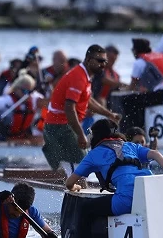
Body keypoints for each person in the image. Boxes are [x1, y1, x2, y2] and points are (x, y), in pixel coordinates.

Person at [60, 120, 163, 238]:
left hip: (126, 200)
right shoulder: (130, 146)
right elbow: (155, 154)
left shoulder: (94, 154)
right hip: (149, 197)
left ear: (97, 136)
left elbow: (69, 182)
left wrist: (75, 186)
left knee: (85, 208)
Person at [42, 44, 121, 174]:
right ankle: (73, 187)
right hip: (59, 126)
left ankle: (69, 182)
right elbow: (69, 109)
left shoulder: (85, 75)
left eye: (105, 61)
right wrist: (80, 135)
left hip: (61, 125)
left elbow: (88, 100)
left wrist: (109, 114)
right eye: (100, 61)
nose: (103, 64)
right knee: (85, 162)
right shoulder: (78, 77)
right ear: (89, 60)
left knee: (73, 165)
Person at [117, 38, 163, 131]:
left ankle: (137, 130)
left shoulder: (139, 62)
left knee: (128, 101)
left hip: (160, 95)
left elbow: (132, 87)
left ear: (136, 50)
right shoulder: (161, 56)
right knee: (141, 99)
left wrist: (122, 89)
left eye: (132, 49)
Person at [0, 72, 42, 143]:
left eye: (30, 92)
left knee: (41, 140)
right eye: (25, 91)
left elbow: (48, 103)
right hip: (3, 138)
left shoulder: (32, 101)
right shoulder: (6, 100)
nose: (27, 95)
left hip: (20, 137)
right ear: (17, 89)